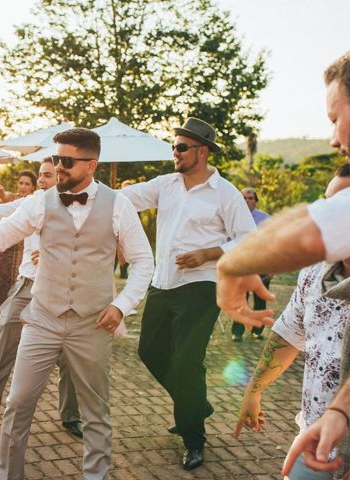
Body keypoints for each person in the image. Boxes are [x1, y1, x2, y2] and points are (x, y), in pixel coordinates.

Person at [0, 128, 154, 479]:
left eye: (66, 161)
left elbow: (143, 262)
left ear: (90, 165)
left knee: (96, 411)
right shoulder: (39, 202)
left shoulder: (118, 205)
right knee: (17, 405)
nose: (58, 167)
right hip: (42, 319)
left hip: (93, 324)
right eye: (56, 158)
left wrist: (121, 305)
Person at [214, 51, 350, 478]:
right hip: (320, 434)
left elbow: (308, 231)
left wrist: (230, 266)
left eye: (335, 118)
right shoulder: (319, 274)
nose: (331, 138)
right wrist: (339, 414)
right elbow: (290, 331)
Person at [121, 117, 256, 470]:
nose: (175, 153)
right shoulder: (165, 184)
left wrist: (209, 253)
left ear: (203, 151)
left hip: (202, 285)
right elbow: (123, 200)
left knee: (186, 362)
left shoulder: (225, 193)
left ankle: (194, 438)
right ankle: (195, 406)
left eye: (181, 147)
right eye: (174, 146)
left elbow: (248, 237)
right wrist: (85, 189)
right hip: (163, 282)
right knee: (149, 351)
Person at [234, 170, 350, 480]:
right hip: (312, 442)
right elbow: (289, 333)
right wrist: (254, 390)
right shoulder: (313, 271)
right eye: (328, 205)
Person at [0, 158, 82, 442]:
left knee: (70, 356)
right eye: (40, 175)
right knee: (0, 353)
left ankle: (71, 416)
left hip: (64, 291)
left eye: (48, 175)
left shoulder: (81, 206)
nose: (41, 180)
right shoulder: (32, 202)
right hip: (27, 286)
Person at [0, 170, 37, 338]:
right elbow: (2, 199)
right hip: (4, 252)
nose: (23, 186)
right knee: (0, 287)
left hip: (21, 254)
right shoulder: (14, 199)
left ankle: (17, 329)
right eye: (21, 183)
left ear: (33, 187)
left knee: (16, 291)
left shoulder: (35, 203)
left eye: (27, 184)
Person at [231, 187, 271, 341]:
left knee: (260, 300)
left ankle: (257, 331)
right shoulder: (232, 218)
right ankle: (237, 332)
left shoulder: (265, 219)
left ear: (256, 201)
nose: (247, 201)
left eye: (250, 198)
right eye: (244, 198)